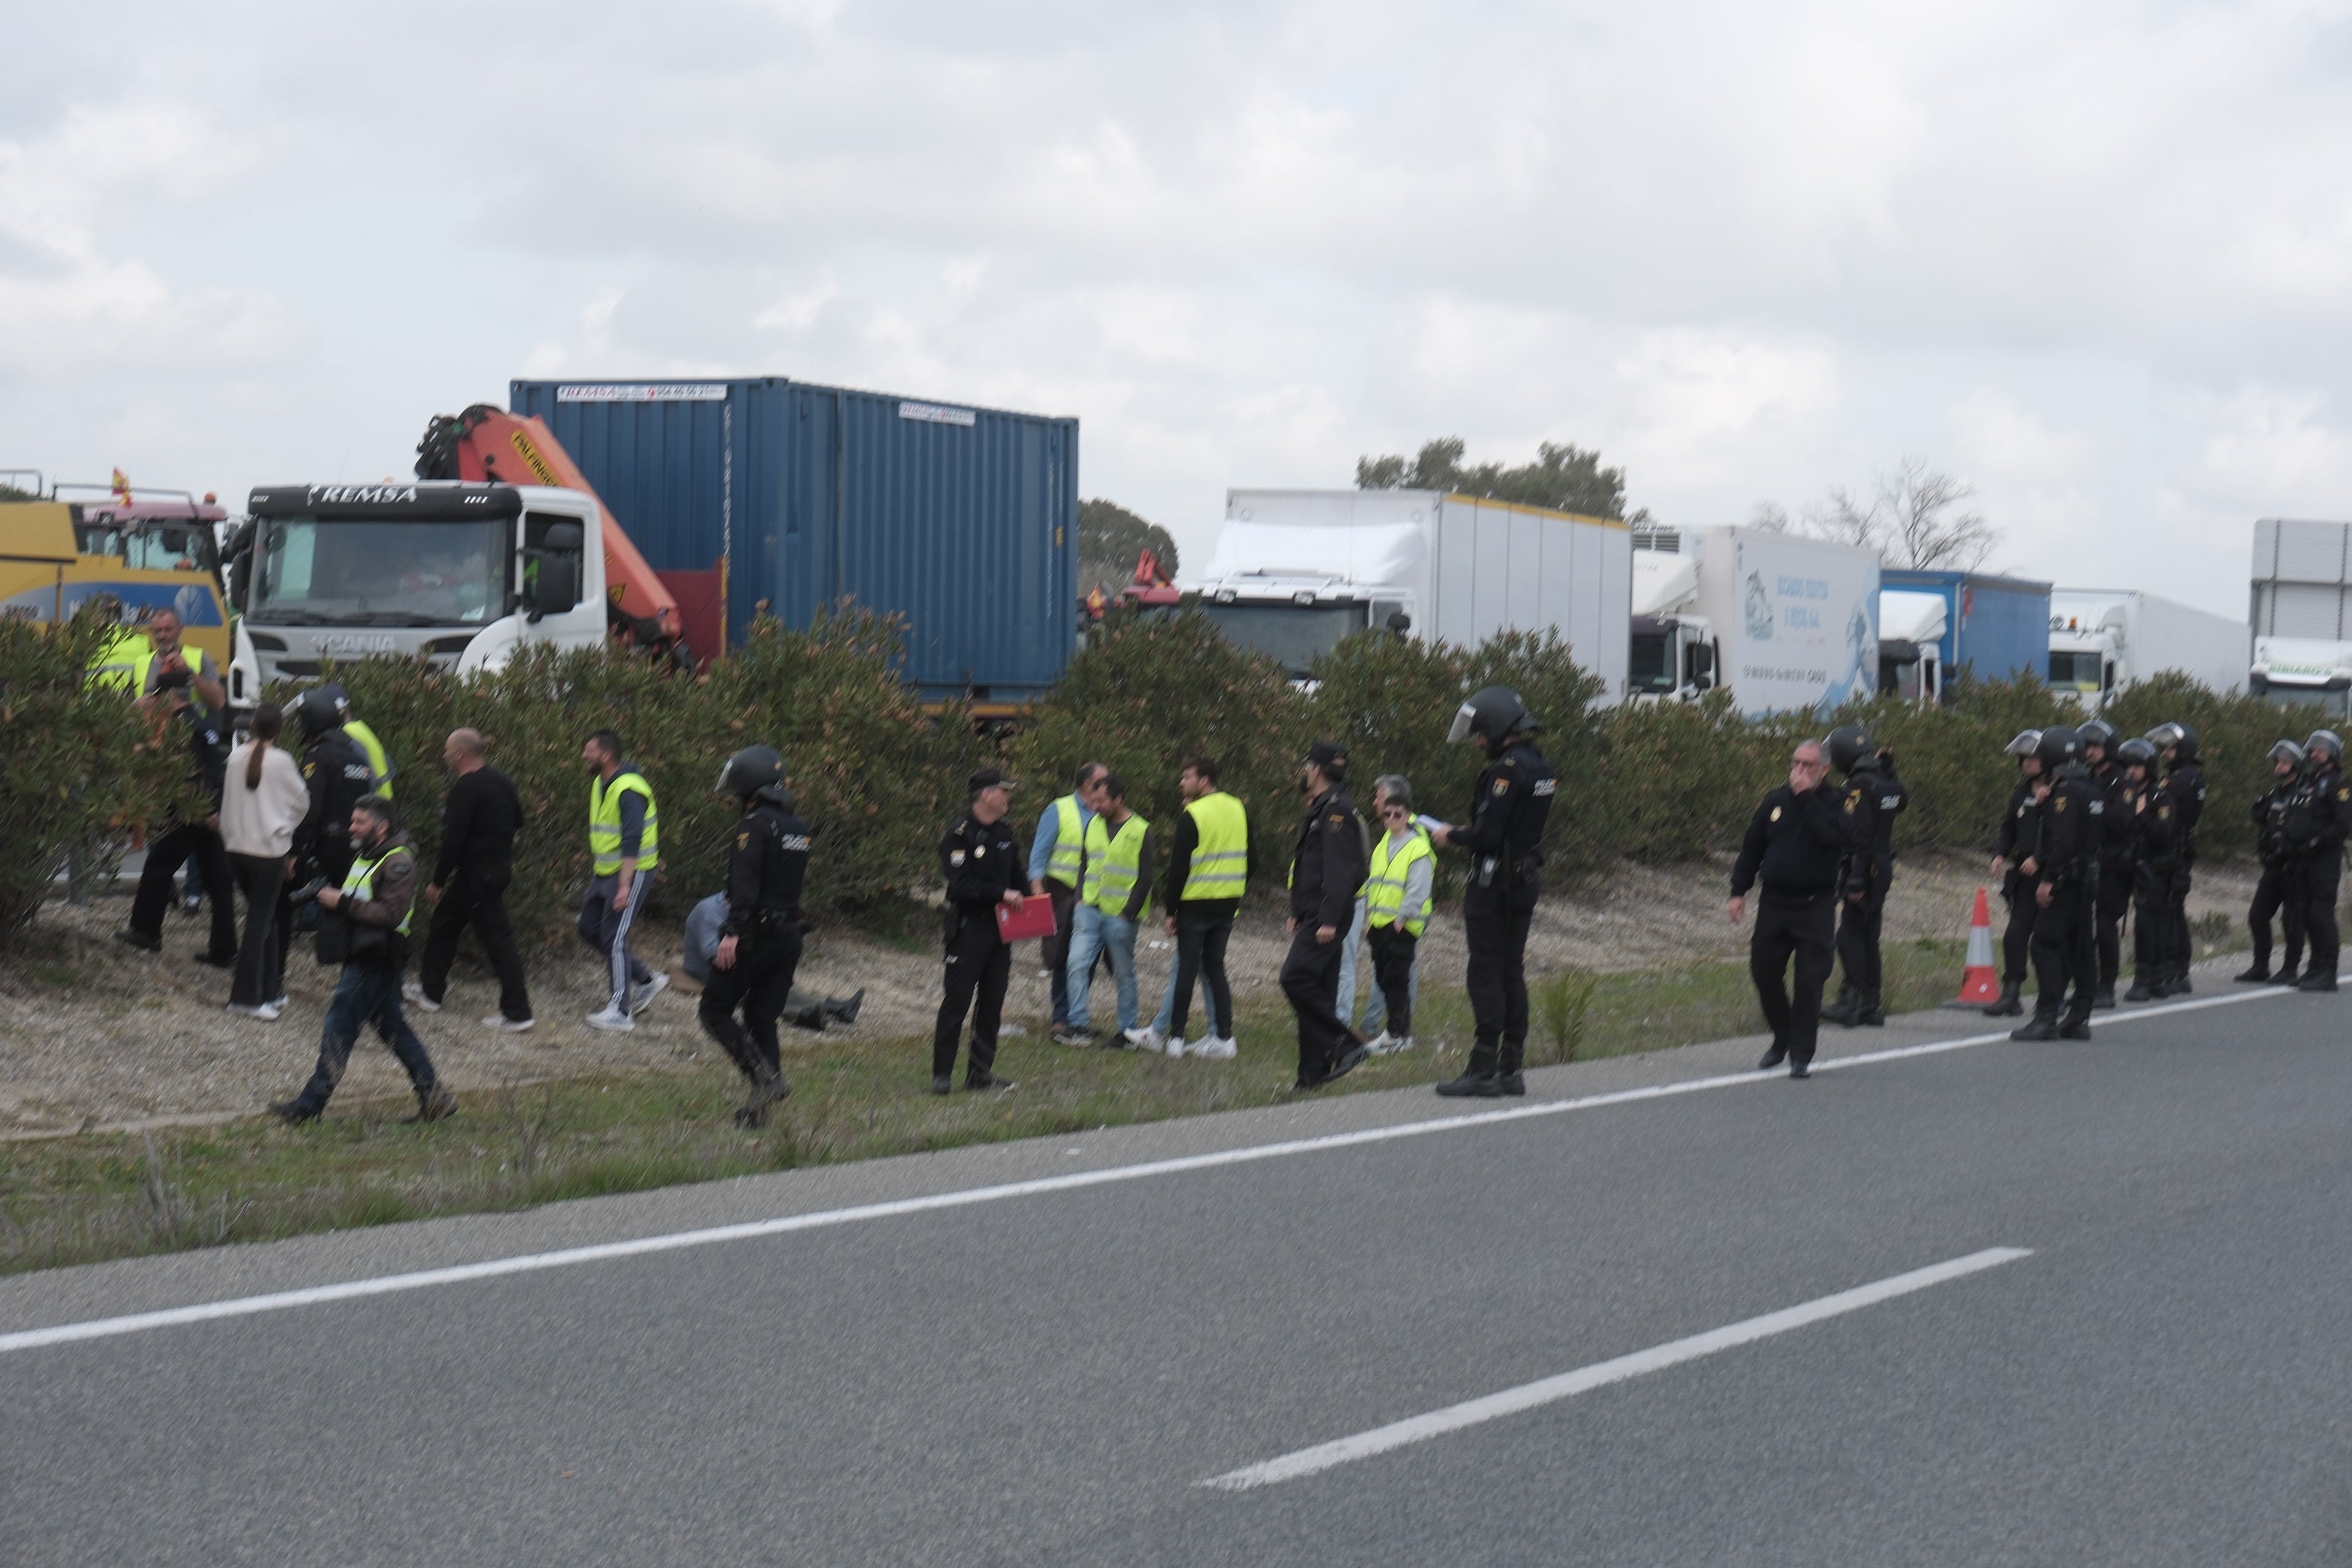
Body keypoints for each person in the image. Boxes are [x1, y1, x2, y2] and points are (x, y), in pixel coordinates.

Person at [269, 798, 455, 1125]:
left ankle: (309, 1107)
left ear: (381, 826)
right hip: (366, 952)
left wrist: (342, 903)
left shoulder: (398, 863)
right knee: (392, 1028)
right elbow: (364, 900)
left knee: (339, 1026)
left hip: (377, 957)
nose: (351, 827)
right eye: (352, 821)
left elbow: (391, 913)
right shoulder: (369, 856)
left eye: (359, 822)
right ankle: (435, 1098)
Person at [1431, 686, 1557, 1098]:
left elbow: (1487, 834)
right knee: (1511, 969)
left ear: (1499, 728)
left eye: (1481, 733)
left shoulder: (1506, 770)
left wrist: (1451, 835)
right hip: (1525, 882)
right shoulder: (1541, 766)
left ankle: (1483, 1067)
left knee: (1484, 970)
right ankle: (1511, 1066)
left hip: (1494, 884)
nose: (1478, 741)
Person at [698, 746, 813, 1126]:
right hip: (789, 935)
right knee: (762, 1016)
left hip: (757, 935)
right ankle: (759, 1112)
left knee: (714, 1010)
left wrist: (732, 933)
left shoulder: (754, 826)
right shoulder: (797, 827)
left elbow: (746, 888)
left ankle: (764, 1076)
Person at [112, 647, 237, 965]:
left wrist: (204, 812)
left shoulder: (182, 727)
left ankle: (146, 931)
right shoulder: (201, 722)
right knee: (218, 881)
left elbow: (195, 772)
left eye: (156, 696)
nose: (153, 702)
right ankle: (224, 951)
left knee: (158, 866)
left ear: (170, 696)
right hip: (209, 808)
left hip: (191, 809)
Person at [1728, 739, 1845, 1080]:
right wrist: (1738, 891)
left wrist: (1807, 798)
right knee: (1763, 972)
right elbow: (1752, 849)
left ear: (1823, 769)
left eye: (1808, 765)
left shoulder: (1836, 802)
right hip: (1775, 904)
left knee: (1810, 980)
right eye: (1796, 763)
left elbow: (1833, 836)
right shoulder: (1774, 801)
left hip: (1815, 906)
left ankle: (1801, 1054)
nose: (1799, 770)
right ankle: (1782, 1036)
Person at [409, 729, 534, 1031]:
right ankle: (430, 991)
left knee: (498, 940)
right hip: (491, 871)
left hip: (480, 876)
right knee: (444, 924)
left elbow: (453, 841)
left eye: (447, 751)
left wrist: (437, 881)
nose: (445, 756)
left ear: (460, 754)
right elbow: (518, 820)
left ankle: (518, 1012)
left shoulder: (466, 788)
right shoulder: (502, 782)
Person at [1143, 755, 1249, 1057]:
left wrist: (1171, 911)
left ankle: (1176, 1039)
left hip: (1197, 903)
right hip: (1228, 902)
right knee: (1216, 968)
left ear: (1204, 780)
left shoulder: (1193, 814)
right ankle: (1225, 1039)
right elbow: (1251, 856)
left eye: (1187, 777)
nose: (1182, 782)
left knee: (1187, 969)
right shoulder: (1238, 807)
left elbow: (1178, 869)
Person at [1282, 742, 1372, 1090]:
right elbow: (1310, 867)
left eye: (1308, 766)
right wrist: (1298, 912)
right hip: (1314, 914)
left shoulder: (1337, 811)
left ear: (1316, 770)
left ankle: (1346, 1043)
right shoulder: (1324, 808)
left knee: (1294, 979)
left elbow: (1339, 873)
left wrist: (1328, 920)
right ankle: (1311, 1075)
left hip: (1327, 917)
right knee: (1317, 990)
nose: (1306, 772)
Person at [280, 688, 378, 1002]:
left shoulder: (319, 756)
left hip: (322, 847)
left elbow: (309, 809)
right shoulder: (356, 755)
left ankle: (273, 979)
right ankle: (359, 983)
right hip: (354, 845)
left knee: (282, 907)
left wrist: (295, 852)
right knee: (350, 912)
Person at [933, 767, 1024, 1093]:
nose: (1008, 797)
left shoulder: (1004, 833)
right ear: (987, 794)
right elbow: (960, 883)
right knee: (957, 1001)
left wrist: (1034, 901)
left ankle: (980, 1073)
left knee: (992, 1004)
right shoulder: (959, 834)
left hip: (1000, 933)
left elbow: (1018, 879)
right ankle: (942, 1075)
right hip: (969, 929)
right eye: (1004, 791)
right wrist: (1001, 894)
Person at [219, 701, 309, 1020]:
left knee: (264, 919)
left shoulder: (234, 757)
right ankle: (245, 997)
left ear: (252, 724)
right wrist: (283, 825)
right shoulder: (282, 761)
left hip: (236, 848)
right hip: (268, 851)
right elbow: (302, 802)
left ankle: (270, 990)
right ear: (279, 729)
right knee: (259, 923)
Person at [2011, 726, 2100, 1041]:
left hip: (2066, 880)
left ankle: (2047, 1015)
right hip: (2087, 878)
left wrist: (2048, 880)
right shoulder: (2089, 787)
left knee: (2045, 942)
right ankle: (2079, 1015)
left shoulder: (2065, 794)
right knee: (2081, 946)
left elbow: (2062, 842)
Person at [1821, 725, 1907, 1028]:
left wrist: (1855, 877)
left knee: (1849, 934)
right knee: (1870, 934)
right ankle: (1872, 1003)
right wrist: (1889, 772)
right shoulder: (1884, 783)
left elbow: (1858, 834)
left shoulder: (1857, 787)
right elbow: (1901, 802)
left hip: (1864, 865)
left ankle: (1850, 999)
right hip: (1882, 864)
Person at [580, 730, 665, 1032]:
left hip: (631, 871)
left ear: (605, 755)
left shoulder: (630, 788)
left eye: (588, 750)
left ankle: (620, 1011)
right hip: (605, 872)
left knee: (615, 938)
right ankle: (646, 978)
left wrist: (625, 886)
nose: (584, 755)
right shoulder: (601, 784)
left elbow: (632, 839)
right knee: (588, 928)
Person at [682, 892, 864, 1030]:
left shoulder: (737, 909)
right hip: (704, 973)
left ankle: (832, 1008)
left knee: (774, 980)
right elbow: (715, 957)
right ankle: (827, 1010)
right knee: (765, 992)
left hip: (730, 969)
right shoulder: (710, 913)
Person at [1065, 775, 1153, 1046]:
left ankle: (1127, 1031)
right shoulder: (1093, 824)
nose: (1096, 806)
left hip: (1120, 917)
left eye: (1102, 801)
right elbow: (1084, 863)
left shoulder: (1141, 829)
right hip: (1089, 910)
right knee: (1076, 963)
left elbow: (1146, 877)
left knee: (1123, 973)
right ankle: (1078, 1024)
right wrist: (1079, 898)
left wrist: (1127, 914)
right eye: (1093, 801)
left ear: (1118, 799)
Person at [1337, 774, 1423, 1040]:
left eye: (1379, 796)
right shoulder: (1391, 830)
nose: (1374, 801)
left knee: (1395, 972)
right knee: (1393, 972)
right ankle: (1388, 1027)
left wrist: (1401, 917)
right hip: (1385, 918)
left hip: (1402, 918)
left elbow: (1417, 879)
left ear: (1394, 799)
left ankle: (1386, 1029)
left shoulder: (1412, 832)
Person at [1031, 761, 1109, 1045]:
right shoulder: (1059, 809)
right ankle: (1061, 1020)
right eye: (1102, 780)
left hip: (1092, 895)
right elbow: (1039, 854)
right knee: (1062, 955)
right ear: (1087, 784)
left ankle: (1078, 1017)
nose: (1108, 784)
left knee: (1086, 957)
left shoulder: (1104, 811)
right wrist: (1038, 893)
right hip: (1062, 892)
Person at [1362, 781, 1435, 1055]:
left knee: (1397, 979)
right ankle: (1396, 1032)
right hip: (1379, 923)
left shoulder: (1416, 847)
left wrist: (1402, 918)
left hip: (1401, 925)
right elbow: (1375, 883)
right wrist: (1370, 917)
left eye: (1398, 814)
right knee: (1383, 978)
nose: (1391, 818)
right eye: (1387, 814)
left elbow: (1418, 887)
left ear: (1407, 816)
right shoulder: (1383, 845)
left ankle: (1398, 1034)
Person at [2142, 721, 2207, 996]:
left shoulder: (2180, 779)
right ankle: (2178, 969)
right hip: (2180, 849)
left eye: (2170, 748)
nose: (2165, 752)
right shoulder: (2192, 776)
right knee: (2174, 910)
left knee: (2167, 911)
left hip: (2172, 852)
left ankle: (2173, 967)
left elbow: (2161, 805)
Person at [2239, 740, 2309, 986]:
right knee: (2257, 915)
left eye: (2285, 762)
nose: (2279, 766)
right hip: (2273, 865)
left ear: (2296, 765)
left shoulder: (2304, 793)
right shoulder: (2274, 792)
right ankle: (2261, 965)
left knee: (2291, 919)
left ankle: (2290, 968)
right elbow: (2259, 817)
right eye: (2278, 761)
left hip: (2294, 866)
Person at [1984, 730, 2044, 1018]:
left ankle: (2055, 996)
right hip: (2024, 875)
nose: (2026, 763)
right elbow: (2009, 827)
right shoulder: (2021, 793)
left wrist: (2040, 858)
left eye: (2032, 758)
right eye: (2023, 758)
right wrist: (1999, 854)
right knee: (2015, 935)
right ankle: (2011, 993)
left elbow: (2064, 835)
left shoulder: (2060, 791)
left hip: (2053, 876)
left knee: (2049, 940)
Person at [2285, 728, 2347, 991]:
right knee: (2306, 913)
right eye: (2313, 749)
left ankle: (2329, 971)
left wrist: (2318, 841)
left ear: (2332, 754)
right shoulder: (2308, 782)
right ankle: (2315, 965)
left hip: (2325, 857)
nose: (2316, 753)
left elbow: (2343, 824)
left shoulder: (2339, 784)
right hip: (2304, 857)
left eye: (2321, 749)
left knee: (2321, 913)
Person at [2080, 718, 2133, 1009]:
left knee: (2104, 925)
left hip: (2114, 865)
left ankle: (2108, 984)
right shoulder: (2087, 779)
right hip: (2089, 862)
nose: (2090, 751)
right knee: (2080, 925)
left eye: (2096, 746)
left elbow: (2120, 822)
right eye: (2087, 746)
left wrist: (2095, 802)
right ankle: (2084, 983)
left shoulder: (2122, 782)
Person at [2118, 737, 2168, 1000]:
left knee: (2147, 923)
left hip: (2154, 868)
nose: (2131, 771)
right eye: (2128, 765)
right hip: (2130, 865)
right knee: (2143, 921)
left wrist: (2142, 815)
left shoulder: (2161, 797)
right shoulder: (2126, 794)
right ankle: (2156, 977)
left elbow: (2163, 835)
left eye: (2137, 766)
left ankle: (2146, 978)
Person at [320, 682, 395, 799]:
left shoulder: (346, 734)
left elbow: (363, 774)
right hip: (382, 802)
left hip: (370, 806)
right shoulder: (360, 727)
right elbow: (390, 767)